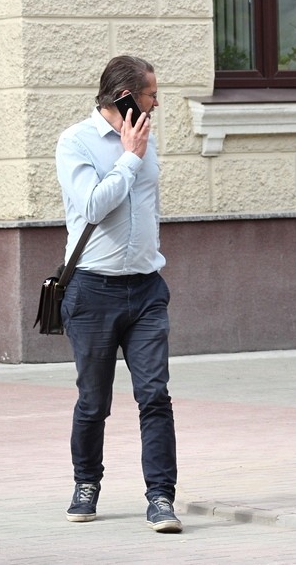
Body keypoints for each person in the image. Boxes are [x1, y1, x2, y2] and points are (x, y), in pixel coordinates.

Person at [56, 55, 182, 532]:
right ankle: (87, 482)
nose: (156, 102)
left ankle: (161, 498)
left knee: (155, 396)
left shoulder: (147, 140)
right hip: (93, 292)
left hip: (147, 289)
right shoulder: (77, 142)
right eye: (150, 94)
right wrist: (128, 159)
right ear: (125, 96)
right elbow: (91, 206)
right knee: (94, 400)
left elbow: (147, 206)